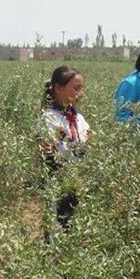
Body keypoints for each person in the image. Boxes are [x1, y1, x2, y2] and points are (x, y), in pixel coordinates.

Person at [37, 66, 89, 229]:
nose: (80, 93)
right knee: (57, 227)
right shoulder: (49, 119)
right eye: (76, 88)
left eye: (82, 88)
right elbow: (50, 155)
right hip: (58, 182)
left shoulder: (79, 119)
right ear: (58, 88)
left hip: (78, 180)